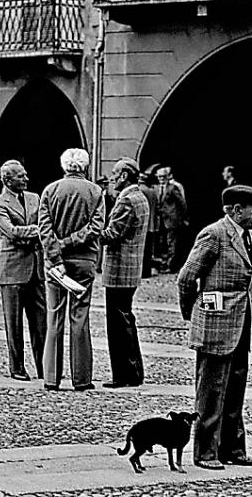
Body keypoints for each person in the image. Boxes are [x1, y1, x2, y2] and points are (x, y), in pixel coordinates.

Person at [177, 184, 252, 470]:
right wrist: (196, 313)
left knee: (236, 387)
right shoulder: (214, 234)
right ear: (237, 210)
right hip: (216, 325)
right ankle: (206, 452)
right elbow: (186, 279)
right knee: (211, 390)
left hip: (242, 322)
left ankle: (234, 449)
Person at [38, 148, 105, 392]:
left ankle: (51, 378)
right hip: (84, 260)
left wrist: (56, 252)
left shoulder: (50, 190)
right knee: (80, 317)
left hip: (55, 264)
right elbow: (96, 227)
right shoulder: (96, 191)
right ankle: (81, 378)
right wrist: (71, 241)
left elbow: (43, 230)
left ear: (64, 166)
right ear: (85, 166)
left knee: (54, 316)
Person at [0, 160, 46, 381]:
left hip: (35, 268)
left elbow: (44, 224)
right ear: (7, 180)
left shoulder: (35, 198)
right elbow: (11, 232)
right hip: (12, 269)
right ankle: (17, 367)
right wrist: (36, 231)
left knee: (41, 323)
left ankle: (44, 367)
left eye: (25, 175)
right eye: (21, 176)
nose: (26, 179)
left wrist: (30, 232)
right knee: (13, 323)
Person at [101, 157, 149, 388]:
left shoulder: (127, 200)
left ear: (123, 176)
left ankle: (125, 374)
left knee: (118, 324)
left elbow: (112, 234)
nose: (111, 177)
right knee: (126, 319)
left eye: (114, 173)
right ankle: (134, 371)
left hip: (119, 269)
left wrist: (90, 234)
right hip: (129, 269)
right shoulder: (139, 197)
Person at [155, 166, 188, 273]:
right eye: (159, 177)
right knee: (162, 243)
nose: (161, 179)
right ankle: (164, 263)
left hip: (172, 220)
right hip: (161, 221)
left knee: (171, 243)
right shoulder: (156, 189)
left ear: (167, 177)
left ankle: (170, 265)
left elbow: (182, 203)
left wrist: (183, 217)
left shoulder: (173, 188)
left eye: (163, 177)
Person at [138, 172, 158, 278]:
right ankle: (147, 271)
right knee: (148, 251)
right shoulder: (152, 191)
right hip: (152, 224)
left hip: (143, 225)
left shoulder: (140, 191)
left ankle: (142, 272)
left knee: (142, 251)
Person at [96, 175, 116, 273]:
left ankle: (99, 265)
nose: (105, 186)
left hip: (105, 223)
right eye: (104, 184)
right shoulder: (96, 195)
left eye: (106, 184)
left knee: (100, 244)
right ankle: (97, 265)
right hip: (98, 222)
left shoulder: (109, 197)